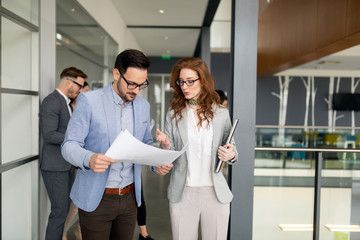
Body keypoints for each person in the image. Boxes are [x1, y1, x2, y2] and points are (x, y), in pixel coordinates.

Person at [61, 49, 172, 240]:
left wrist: (157, 162)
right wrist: (89, 158)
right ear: (116, 74)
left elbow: (144, 144)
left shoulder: (143, 106)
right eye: (131, 83)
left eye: (141, 85)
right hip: (97, 198)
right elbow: (69, 145)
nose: (136, 90)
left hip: (129, 199)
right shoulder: (89, 101)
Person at [156, 57, 238, 240]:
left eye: (190, 81)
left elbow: (233, 149)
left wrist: (230, 153)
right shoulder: (173, 114)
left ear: (203, 81)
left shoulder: (221, 113)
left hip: (215, 193)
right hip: (183, 192)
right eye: (181, 82)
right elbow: (171, 152)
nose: (184, 86)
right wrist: (165, 145)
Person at [39, 67, 87, 240]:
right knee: (59, 212)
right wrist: (75, 138)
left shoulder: (65, 102)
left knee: (64, 210)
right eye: (79, 86)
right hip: (54, 167)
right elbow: (50, 135)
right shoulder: (52, 101)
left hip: (65, 165)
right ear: (68, 81)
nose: (80, 90)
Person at [63, 80, 90, 240]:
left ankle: (80, 230)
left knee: (86, 199)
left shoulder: (86, 110)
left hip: (85, 162)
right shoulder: (69, 109)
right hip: (72, 163)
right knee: (75, 202)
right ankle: (64, 231)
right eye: (81, 92)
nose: (83, 95)